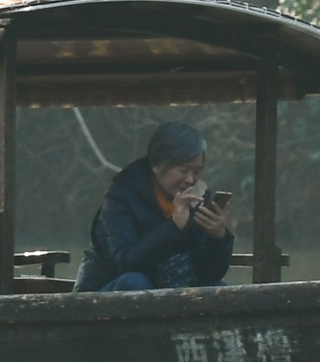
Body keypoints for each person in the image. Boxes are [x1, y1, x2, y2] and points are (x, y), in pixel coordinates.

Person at [79, 121, 234, 291]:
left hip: (171, 290)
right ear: (157, 166)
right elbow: (126, 263)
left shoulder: (199, 197)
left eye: (197, 171)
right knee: (136, 283)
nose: (191, 179)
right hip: (107, 291)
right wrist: (174, 228)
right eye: (183, 170)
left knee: (214, 288)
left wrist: (217, 238)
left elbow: (209, 274)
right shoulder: (121, 196)